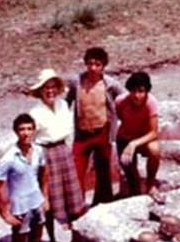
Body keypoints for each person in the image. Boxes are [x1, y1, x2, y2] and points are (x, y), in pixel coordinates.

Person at [0, 113, 60, 242]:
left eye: (29, 129)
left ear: (34, 131)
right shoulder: (9, 158)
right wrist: (5, 213)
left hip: (37, 204)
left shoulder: (38, 151)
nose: (26, 133)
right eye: (22, 129)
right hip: (21, 208)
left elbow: (44, 174)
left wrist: (45, 197)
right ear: (16, 132)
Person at [27, 68, 85, 242]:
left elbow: (68, 130)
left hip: (63, 152)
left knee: (72, 199)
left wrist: (68, 151)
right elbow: (31, 141)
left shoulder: (62, 105)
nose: (50, 91)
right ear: (40, 91)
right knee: (50, 202)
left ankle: (78, 241)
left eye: (53, 87)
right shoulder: (34, 113)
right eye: (46, 88)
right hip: (46, 155)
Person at [65, 47, 125, 207]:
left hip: (102, 132)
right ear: (85, 64)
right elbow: (66, 103)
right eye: (90, 63)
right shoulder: (77, 82)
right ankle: (77, 207)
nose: (93, 67)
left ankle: (103, 204)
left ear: (103, 66)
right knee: (76, 169)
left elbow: (124, 100)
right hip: (82, 133)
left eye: (97, 64)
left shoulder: (110, 84)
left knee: (103, 169)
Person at [114, 71, 164, 202]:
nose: (137, 95)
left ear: (147, 91)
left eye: (141, 91)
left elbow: (154, 132)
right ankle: (135, 197)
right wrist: (128, 142)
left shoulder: (151, 102)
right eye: (133, 91)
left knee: (155, 150)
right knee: (130, 171)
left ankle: (150, 185)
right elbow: (120, 118)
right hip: (125, 138)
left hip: (143, 139)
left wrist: (134, 143)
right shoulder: (120, 101)